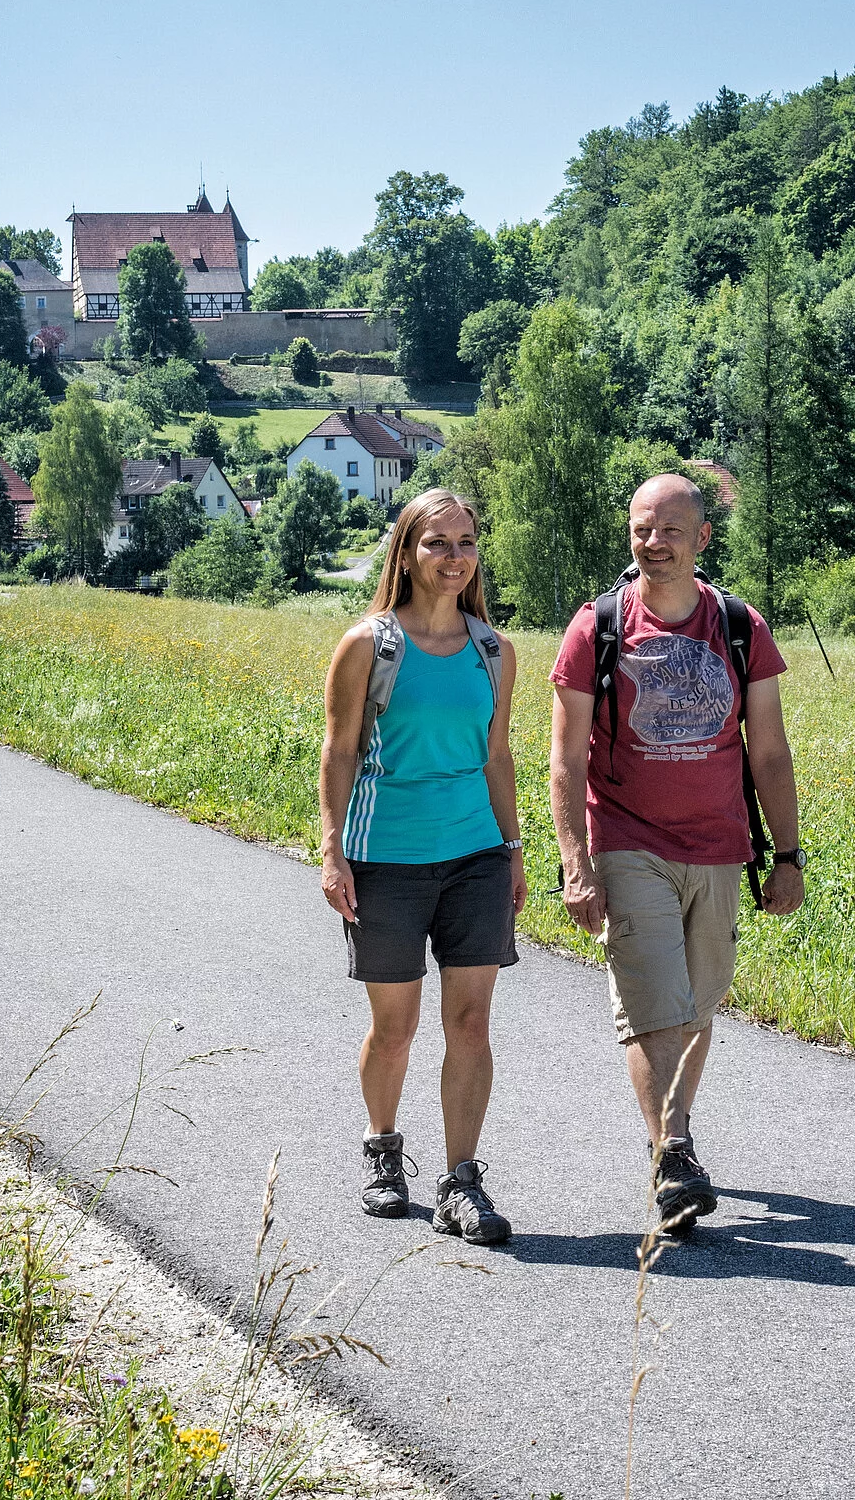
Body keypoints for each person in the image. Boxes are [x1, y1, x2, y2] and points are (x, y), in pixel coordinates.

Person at [549, 473, 804, 1233]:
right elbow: (565, 759)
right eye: (640, 529)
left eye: (668, 530)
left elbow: (770, 753)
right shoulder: (596, 627)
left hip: (720, 845)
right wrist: (575, 860)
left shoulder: (737, 624)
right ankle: (674, 1150)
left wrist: (786, 855)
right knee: (655, 1000)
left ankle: (674, 1152)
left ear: (702, 538)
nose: (652, 543)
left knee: (696, 1003)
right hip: (629, 841)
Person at [319, 489, 525, 1245]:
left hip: (473, 854)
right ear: (406, 553)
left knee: (471, 1023)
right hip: (387, 859)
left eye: (466, 541)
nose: (454, 556)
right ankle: (382, 1151)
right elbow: (339, 750)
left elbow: (497, 756)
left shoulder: (493, 651)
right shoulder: (369, 645)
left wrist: (512, 850)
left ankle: (460, 1181)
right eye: (437, 542)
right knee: (396, 1027)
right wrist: (332, 849)